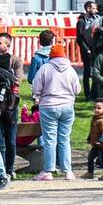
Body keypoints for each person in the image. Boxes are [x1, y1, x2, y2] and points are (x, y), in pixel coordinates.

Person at [31, 42, 81, 180]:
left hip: (48, 106)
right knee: (64, 139)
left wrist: (37, 97)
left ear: (51, 55)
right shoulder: (70, 70)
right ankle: (68, 171)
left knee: (49, 139)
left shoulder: (45, 68)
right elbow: (77, 89)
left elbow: (36, 88)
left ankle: (48, 170)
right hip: (67, 106)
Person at [0, 32, 21, 181]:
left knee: (10, 138)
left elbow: (17, 81)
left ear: (7, 45)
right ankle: (1, 169)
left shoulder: (15, 60)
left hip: (9, 104)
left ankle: (10, 169)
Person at [85, 99, 103, 180]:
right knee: (90, 157)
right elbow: (94, 131)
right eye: (95, 108)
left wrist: (101, 141)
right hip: (96, 143)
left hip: (102, 143)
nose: (96, 110)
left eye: (99, 108)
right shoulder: (97, 118)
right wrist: (89, 138)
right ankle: (90, 173)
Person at [76, 2, 100, 96]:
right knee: (87, 71)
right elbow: (80, 39)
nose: (96, 10)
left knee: (95, 70)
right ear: (88, 8)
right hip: (86, 49)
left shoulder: (96, 19)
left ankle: (94, 92)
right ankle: (87, 94)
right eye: (94, 8)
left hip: (95, 48)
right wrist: (87, 49)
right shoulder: (81, 22)